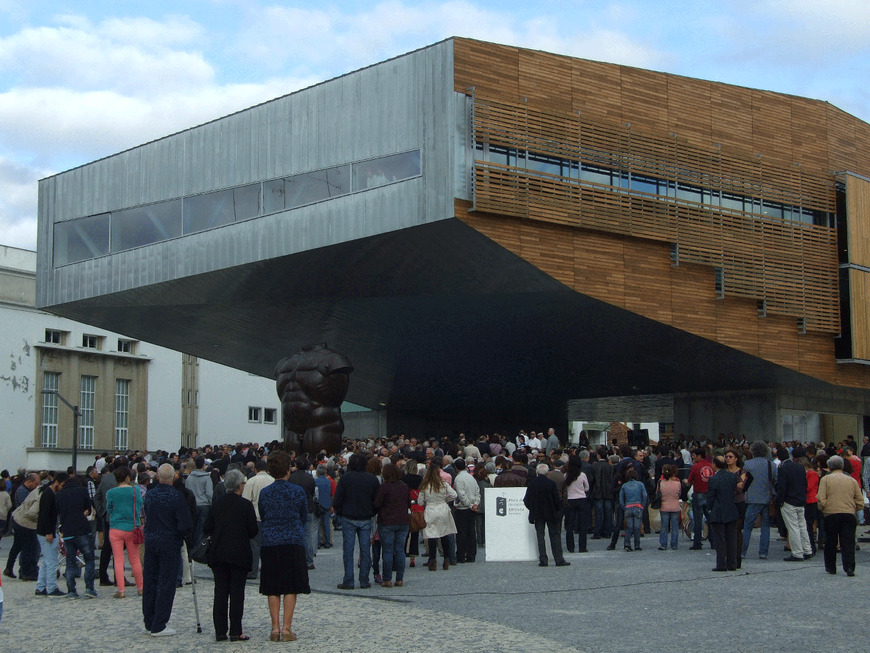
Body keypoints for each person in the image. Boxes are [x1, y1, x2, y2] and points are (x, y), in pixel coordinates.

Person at [257, 451, 310, 642]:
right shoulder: (297, 491)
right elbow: (304, 516)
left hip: (271, 541)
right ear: (288, 469)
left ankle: (275, 628)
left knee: (272, 586)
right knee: (290, 586)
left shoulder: (265, 492)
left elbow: (263, 514)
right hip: (293, 540)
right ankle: (287, 627)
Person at [204, 469, 258, 642]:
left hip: (219, 553)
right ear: (240, 486)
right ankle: (236, 630)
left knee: (220, 592)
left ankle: (220, 631)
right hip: (239, 553)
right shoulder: (245, 505)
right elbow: (253, 531)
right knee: (237, 593)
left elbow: (207, 527)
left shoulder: (217, 504)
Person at [142, 463, 193, 637]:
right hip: (169, 542)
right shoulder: (177, 497)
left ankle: (149, 621)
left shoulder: (150, 495)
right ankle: (159, 624)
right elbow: (185, 524)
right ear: (173, 478)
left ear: (157, 476)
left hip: (151, 541)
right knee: (166, 583)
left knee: (150, 581)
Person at [332, 453, 380, 589]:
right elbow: (377, 500)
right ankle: (364, 580)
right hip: (365, 516)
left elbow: (338, 499)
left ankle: (348, 580)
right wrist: (372, 512)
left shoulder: (345, 478)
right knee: (365, 549)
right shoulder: (371, 479)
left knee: (348, 549)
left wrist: (340, 512)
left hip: (348, 516)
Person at [817, 455, 864, 576]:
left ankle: (831, 566)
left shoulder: (826, 480)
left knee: (831, 541)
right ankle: (849, 567)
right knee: (848, 541)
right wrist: (854, 508)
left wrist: (824, 507)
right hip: (848, 513)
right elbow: (859, 500)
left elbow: (821, 498)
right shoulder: (851, 480)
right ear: (842, 466)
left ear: (830, 466)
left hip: (831, 513)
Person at [56, 471, 97, 598]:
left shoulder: (60, 494)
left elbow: (59, 513)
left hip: (67, 530)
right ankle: (89, 588)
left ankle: (71, 591)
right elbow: (88, 509)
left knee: (70, 561)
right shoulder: (82, 491)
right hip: (82, 528)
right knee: (89, 559)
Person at [105, 466, 144, 598]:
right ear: (128, 477)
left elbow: (109, 509)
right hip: (131, 527)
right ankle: (141, 587)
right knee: (134, 559)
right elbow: (139, 505)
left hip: (116, 527)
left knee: (118, 559)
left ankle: (121, 590)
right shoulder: (135, 490)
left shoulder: (111, 492)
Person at [372, 463, 411, 587]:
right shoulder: (404, 487)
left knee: (387, 551)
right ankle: (399, 579)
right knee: (400, 550)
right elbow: (408, 503)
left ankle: (387, 579)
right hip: (403, 521)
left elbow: (377, 504)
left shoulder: (384, 487)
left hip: (387, 522)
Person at [524, 463, 570, 566]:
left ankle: (543, 559)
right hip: (551, 512)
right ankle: (559, 559)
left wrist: (532, 508)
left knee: (540, 536)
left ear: (537, 471)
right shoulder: (551, 483)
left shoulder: (532, 484)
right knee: (555, 535)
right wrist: (558, 510)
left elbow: (527, 500)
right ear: (547, 472)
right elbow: (557, 500)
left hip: (537, 513)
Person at [418, 459, 458, 571]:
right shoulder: (443, 484)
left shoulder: (425, 485)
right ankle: (446, 559)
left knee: (432, 536)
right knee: (444, 534)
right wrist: (446, 499)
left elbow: (420, 501)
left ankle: (432, 560)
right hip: (443, 509)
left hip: (431, 509)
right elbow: (454, 494)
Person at [776, 446, 812, 562]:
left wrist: (780, 500)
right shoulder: (800, 467)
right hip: (800, 500)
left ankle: (797, 553)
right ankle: (807, 549)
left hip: (789, 500)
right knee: (802, 526)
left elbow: (782, 487)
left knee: (793, 527)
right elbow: (804, 484)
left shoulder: (783, 469)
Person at [741, 441, 776, 560]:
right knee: (765, 526)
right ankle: (763, 552)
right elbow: (775, 480)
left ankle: (742, 552)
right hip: (767, 497)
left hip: (752, 497)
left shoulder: (747, 464)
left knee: (748, 526)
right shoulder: (771, 464)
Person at [241, 458, 274, 580]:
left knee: (254, 545)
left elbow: (246, 501)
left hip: (255, 516)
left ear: (255, 469)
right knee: (268, 545)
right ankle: (268, 570)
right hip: (270, 516)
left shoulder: (251, 481)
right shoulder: (273, 480)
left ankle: (253, 571)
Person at [35, 472, 66, 597]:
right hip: (47, 532)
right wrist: (49, 532)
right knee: (52, 561)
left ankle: (41, 587)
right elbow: (45, 515)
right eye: (62, 485)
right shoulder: (49, 495)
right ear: (57, 482)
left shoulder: (48, 493)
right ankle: (52, 588)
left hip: (45, 531)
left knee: (47, 561)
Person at [707, 455, 739, 571]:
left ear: (714, 465)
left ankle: (721, 564)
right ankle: (732, 563)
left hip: (718, 511)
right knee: (731, 539)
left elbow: (710, 497)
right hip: (731, 509)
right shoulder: (732, 477)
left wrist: (709, 508)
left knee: (720, 540)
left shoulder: (713, 479)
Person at [5, 473, 40, 580]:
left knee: (17, 546)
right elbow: (27, 509)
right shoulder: (22, 491)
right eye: (36, 483)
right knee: (27, 547)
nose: (37, 486)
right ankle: (24, 571)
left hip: (19, 520)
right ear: (29, 482)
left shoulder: (25, 490)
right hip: (23, 522)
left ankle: (9, 568)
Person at [683, 448, 713, 550]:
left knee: (697, 519)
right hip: (709, 494)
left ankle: (697, 542)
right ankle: (713, 542)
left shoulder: (695, 467)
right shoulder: (711, 466)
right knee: (710, 519)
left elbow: (690, 481)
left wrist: (685, 481)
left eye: (694, 455)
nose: (692, 457)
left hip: (698, 493)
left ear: (699, 456)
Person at [452, 458, 480, 563]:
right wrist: (475, 504)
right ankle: (471, 554)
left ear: (456, 468)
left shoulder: (458, 479)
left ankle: (461, 554)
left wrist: (469, 504)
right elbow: (477, 491)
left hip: (463, 508)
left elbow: (461, 495)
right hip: (472, 508)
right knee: (471, 532)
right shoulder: (471, 478)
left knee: (461, 533)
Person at [184, 455, 213, 547]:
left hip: (192, 505)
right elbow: (209, 493)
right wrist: (210, 503)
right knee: (201, 529)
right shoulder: (207, 477)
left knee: (193, 527)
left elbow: (187, 491)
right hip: (204, 505)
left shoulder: (189, 477)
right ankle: (200, 548)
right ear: (203, 465)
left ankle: (192, 547)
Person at [564, 455, 590, 554]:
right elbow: (587, 487)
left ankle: (570, 547)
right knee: (583, 524)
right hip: (581, 499)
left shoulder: (566, 475)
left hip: (570, 500)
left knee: (570, 525)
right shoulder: (582, 475)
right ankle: (582, 547)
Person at [618, 469, 647, 552]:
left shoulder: (624, 486)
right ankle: (637, 545)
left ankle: (627, 544)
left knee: (629, 527)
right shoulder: (640, 484)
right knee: (637, 527)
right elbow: (644, 495)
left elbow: (621, 498)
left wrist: (624, 506)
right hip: (638, 507)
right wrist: (642, 505)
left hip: (628, 507)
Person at [657, 464, 682, 551]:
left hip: (664, 506)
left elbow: (658, 493)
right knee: (675, 526)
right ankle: (674, 544)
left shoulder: (661, 483)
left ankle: (663, 544)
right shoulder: (678, 483)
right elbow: (679, 494)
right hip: (675, 506)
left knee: (664, 526)